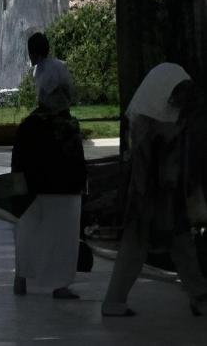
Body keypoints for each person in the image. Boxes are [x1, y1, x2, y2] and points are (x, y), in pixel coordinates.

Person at [102, 63, 207, 318]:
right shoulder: (148, 121)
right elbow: (147, 164)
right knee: (137, 243)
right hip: (149, 191)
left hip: (166, 192)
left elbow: (180, 155)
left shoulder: (173, 105)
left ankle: (200, 298)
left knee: (179, 243)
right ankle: (114, 301)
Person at [11, 46, 87, 300]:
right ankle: (38, 279)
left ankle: (38, 279)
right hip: (51, 189)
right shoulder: (47, 124)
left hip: (52, 190)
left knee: (45, 236)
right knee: (46, 236)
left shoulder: (41, 124)